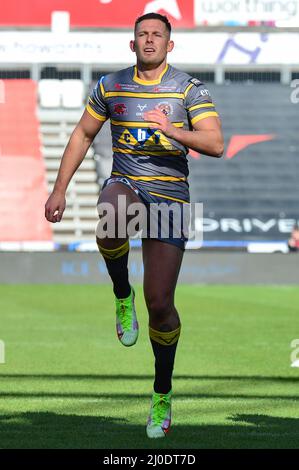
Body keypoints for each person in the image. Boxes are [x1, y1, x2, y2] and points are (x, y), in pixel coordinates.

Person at [45, 12, 224, 439]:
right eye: (141, 35)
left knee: (160, 304)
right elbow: (83, 136)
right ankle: (121, 294)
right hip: (126, 182)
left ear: (169, 45)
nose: (148, 41)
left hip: (171, 199)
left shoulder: (189, 89)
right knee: (110, 214)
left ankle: (162, 392)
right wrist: (58, 190)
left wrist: (174, 131)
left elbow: (216, 143)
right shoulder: (111, 86)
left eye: (156, 35)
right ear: (132, 44)